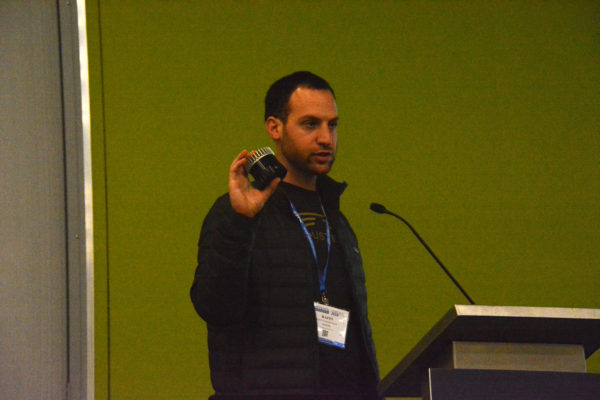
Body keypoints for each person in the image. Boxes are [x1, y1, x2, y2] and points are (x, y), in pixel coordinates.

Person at [190, 71, 380, 399]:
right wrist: (241, 223)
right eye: (310, 124)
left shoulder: (337, 220)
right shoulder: (239, 212)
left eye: (332, 125)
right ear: (275, 128)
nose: (326, 138)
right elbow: (215, 308)